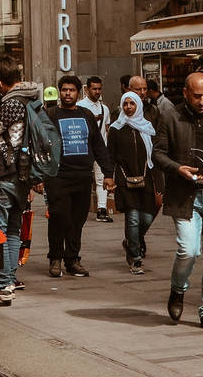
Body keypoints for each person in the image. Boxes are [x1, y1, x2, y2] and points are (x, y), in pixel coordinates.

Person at [153, 72, 203, 331]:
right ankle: (178, 289)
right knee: (188, 250)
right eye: (197, 96)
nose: (202, 101)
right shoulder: (170, 116)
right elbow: (157, 153)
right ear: (186, 93)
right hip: (185, 195)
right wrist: (177, 168)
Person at [44, 74, 112, 278]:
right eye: (64, 90)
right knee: (59, 217)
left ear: (78, 92)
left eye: (71, 90)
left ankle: (72, 259)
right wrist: (37, 177)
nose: (67, 94)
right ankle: (55, 258)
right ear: (59, 92)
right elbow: (40, 146)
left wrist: (108, 173)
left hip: (82, 176)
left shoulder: (86, 115)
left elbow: (98, 146)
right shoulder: (50, 115)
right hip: (58, 176)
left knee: (77, 220)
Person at [0, 55, 43, 304]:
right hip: (23, 173)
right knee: (12, 229)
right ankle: (9, 279)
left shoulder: (12, 103)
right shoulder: (32, 99)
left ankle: (1, 283)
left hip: (6, 171)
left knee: (0, 229)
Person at [109, 91, 156, 272]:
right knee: (133, 219)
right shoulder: (116, 128)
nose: (128, 107)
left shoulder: (147, 127)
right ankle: (135, 257)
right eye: (125, 104)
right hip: (125, 179)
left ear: (138, 106)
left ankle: (130, 241)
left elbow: (155, 155)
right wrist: (109, 177)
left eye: (132, 104)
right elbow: (110, 155)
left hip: (146, 178)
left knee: (147, 217)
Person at [79, 75, 113, 221]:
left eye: (99, 89)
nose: (97, 92)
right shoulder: (80, 106)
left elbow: (107, 128)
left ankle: (102, 208)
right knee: (84, 179)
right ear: (87, 89)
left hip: (100, 150)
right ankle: (80, 207)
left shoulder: (104, 108)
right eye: (94, 89)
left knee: (102, 179)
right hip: (84, 149)